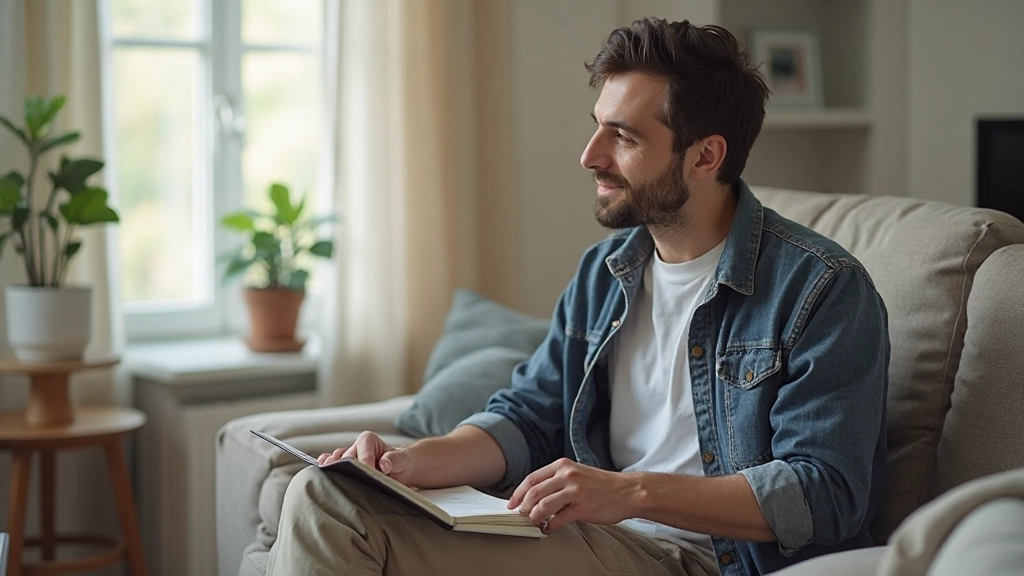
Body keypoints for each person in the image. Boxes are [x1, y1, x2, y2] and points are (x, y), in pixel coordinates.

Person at [265, 17, 889, 576]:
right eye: (597, 129)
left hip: (712, 559)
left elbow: (826, 492)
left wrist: (627, 492)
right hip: (600, 541)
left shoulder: (822, 290)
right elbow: (530, 416)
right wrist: (410, 463)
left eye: (623, 136)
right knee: (328, 495)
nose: (590, 156)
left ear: (705, 156)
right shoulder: (606, 273)